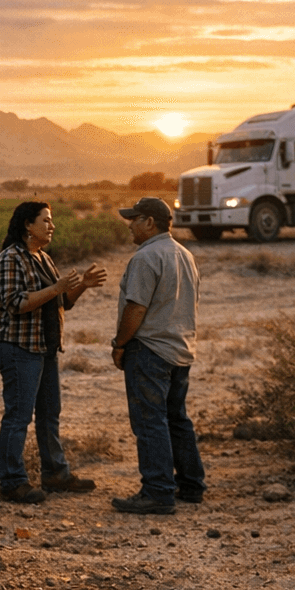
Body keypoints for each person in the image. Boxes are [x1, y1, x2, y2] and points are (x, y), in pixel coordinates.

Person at [0, 201, 107, 503]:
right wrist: (56, 288)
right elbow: (16, 304)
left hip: (44, 346)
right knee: (18, 416)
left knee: (49, 414)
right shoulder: (10, 259)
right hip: (18, 347)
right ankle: (12, 481)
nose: (52, 226)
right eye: (46, 221)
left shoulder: (42, 257)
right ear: (29, 225)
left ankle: (55, 473)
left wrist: (82, 286)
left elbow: (63, 302)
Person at [110, 196, 205, 515]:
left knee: (150, 421)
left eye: (134, 220)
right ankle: (190, 484)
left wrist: (120, 343)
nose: (130, 226)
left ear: (150, 222)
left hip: (149, 349)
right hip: (180, 349)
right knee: (177, 418)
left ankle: (158, 491)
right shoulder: (185, 254)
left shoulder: (145, 257)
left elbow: (136, 308)